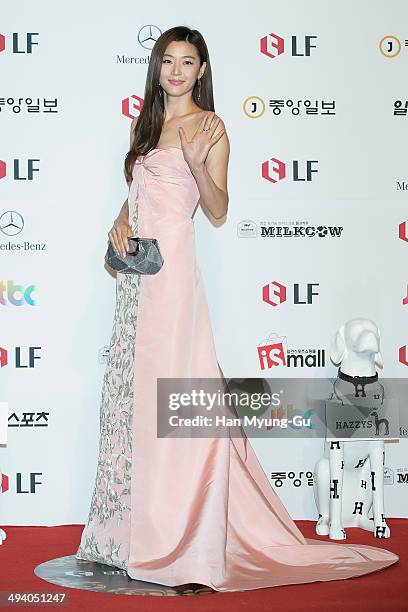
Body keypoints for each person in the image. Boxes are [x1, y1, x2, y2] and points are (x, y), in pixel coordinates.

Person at [75, 26, 398, 592]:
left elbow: (218, 206)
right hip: (135, 279)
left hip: (173, 275)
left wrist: (199, 163)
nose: (176, 71)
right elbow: (136, 199)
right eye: (168, 61)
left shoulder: (210, 127)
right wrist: (120, 221)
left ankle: (182, 543)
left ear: (203, 70)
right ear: (157, 68)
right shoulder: (144, 124)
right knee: (132, 398)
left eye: (188, 62)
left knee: (174, 396)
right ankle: (125, 536)